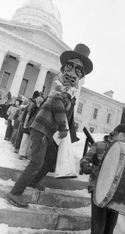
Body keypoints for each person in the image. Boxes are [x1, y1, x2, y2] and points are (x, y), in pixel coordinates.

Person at [7, 43, 93, 207]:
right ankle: (15, 193)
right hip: (41, 129)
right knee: (36, 163)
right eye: (71, 66)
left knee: (51, 158)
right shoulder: (61, 88)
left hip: (46, 131)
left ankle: (33, 181)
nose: (74, 72)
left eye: (79, 71)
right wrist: (63, 128)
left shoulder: (69, 91)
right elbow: (58, 106)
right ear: (64, 68)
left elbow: (65, 109)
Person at [79, 123, 125, 234]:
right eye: (124, 135)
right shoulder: (99, 145)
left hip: (115, 195)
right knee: (97, 232)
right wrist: (86, 166)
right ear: (116, 132)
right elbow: (85, 159)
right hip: (98, 191)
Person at [18, 92, 44, 160]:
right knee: (25, 139)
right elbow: (28, 115)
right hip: (29, 124)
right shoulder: (32, 106)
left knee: (30, 140)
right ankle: (22, 154)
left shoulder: (38, 107)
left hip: (32, 125)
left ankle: (25, 154)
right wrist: (25, 124)